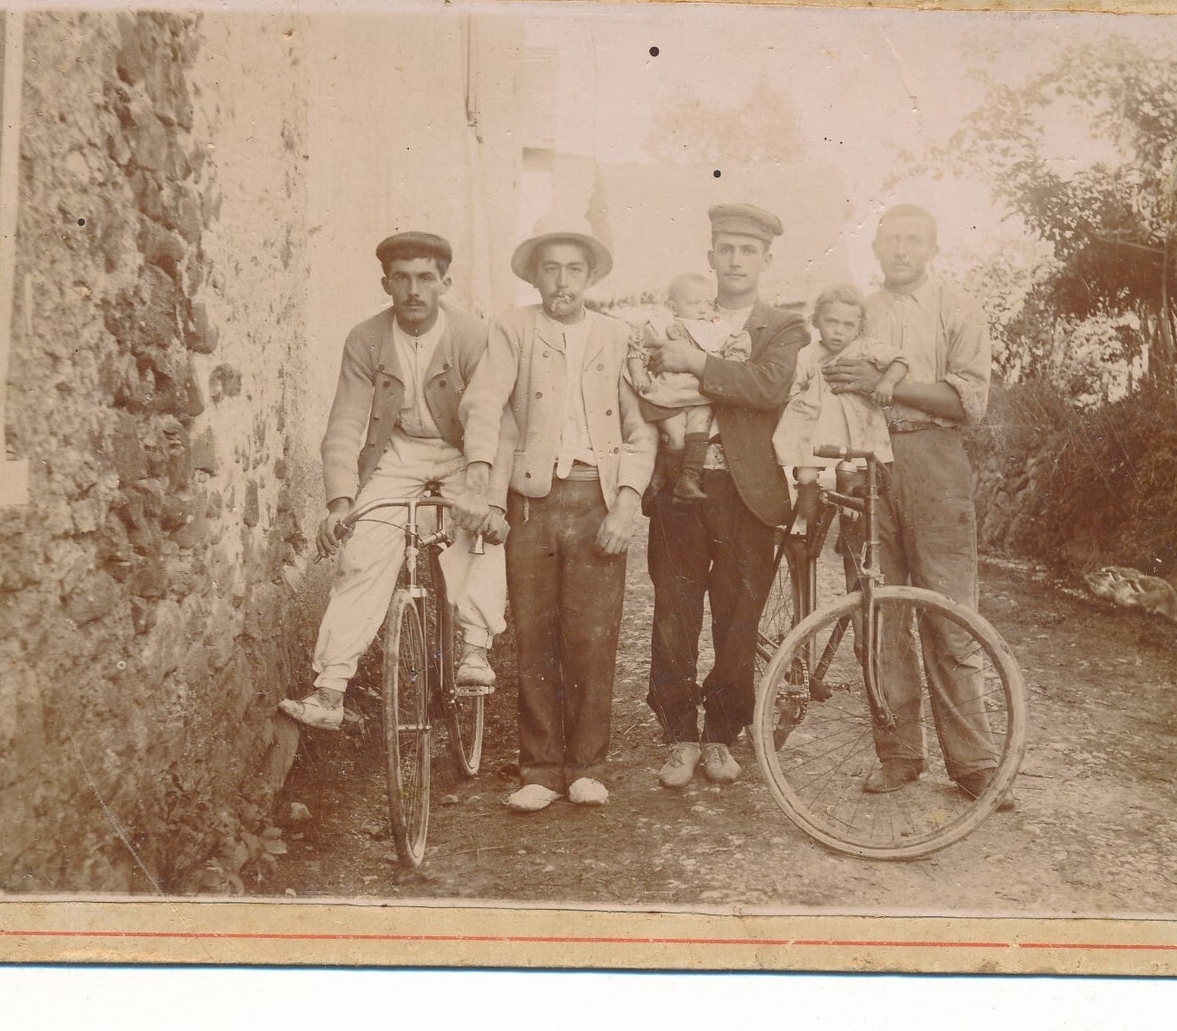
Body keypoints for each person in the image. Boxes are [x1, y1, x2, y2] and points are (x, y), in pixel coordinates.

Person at [456, 219, 657, 811]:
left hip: (597, 496)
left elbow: (639, 428)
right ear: (536, 276)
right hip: (532, 501)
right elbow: (488, 405)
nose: (563, 281)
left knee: (593, 635)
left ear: (590, 276)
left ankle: (588, 764)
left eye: (574, 269)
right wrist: (487, 491)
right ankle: (539, 768)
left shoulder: (618, 336)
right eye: (551, 268)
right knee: (535, 632)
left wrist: (626, 501)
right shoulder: (514, 329)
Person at [820, 204, 1013, 809]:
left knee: (949, 614)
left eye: (914, 241)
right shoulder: (859, 311)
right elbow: (827, 376)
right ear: (876, 246)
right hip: (867, 464)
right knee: (877, 615)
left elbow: (967, 401)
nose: (901, 250)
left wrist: (886, 386)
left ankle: (975, 764)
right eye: (891, 240)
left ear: (931, 248)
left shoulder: (958, 310)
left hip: (934, 463)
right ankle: (900, 755)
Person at [278, 231, 509, 731]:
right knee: (361, 553)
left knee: (478, 533)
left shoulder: (473, 336)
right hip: (398, 454)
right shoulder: (366, 339)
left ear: (444, 283)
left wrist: (482, 490)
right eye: (401, 279)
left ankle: (474, 647)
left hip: (462, 452)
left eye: (426, 278)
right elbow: (344, 424)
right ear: (386, 283)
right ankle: (330, 689)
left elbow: (487, 413)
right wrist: (340, 502)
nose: (414, 290)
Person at [645, 204, 808, 788]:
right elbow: (645, 375)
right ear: (710, 255)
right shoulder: (681, 316)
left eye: (748, 250)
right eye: (727, 249)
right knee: (674, 613)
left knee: (738, 621)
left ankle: (721, 736)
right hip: (679, 488)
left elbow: (768, 386)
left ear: (766, 259)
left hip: (749, 493)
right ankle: (680, 736)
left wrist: (697, 363)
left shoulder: (784, 327)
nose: (736, 260)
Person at [772, 283, 908, 522]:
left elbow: (899, 360)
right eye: (831, 322)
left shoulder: (865, 348)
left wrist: (887, 382)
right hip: (816, 427)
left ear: (859, 327)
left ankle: (850, 522)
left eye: (848, 325)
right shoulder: (808, 354)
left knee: (851, 476)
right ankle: (809, 521)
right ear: (816, 321)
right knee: (805, 474)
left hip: (853, 426)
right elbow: (792, 388)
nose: (838, 332)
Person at [626, 272, 752, 500]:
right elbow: (637, 348)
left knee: (699, 428)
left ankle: (689, 479)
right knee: (676, 439)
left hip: (699, 395)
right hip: (667, 394)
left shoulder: (717, 327)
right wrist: (638, 372)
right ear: (674, 307)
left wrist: (727, 363)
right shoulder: (664, 325)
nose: (702, 309)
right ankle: (670, 479)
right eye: (694, 303)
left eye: (707, 303)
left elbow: (736, 349)